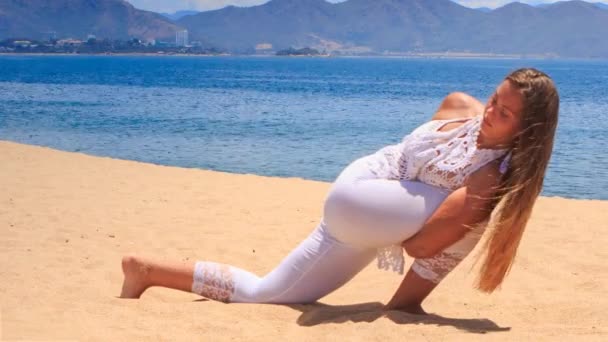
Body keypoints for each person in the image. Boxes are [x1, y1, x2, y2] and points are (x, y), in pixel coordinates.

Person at [119, 68, 559, 314]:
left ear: (529, 128)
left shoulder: (461, 109)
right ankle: (404, 307)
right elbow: (425, 246)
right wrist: (404, 222)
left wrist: (393, 212)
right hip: (361, 204)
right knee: (470, 221)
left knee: (265, 292)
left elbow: (423, 142)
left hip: (356, 193)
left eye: (504, 113)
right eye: (494, 101)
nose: (489, 113)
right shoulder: (489, 175)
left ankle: (147, 270)